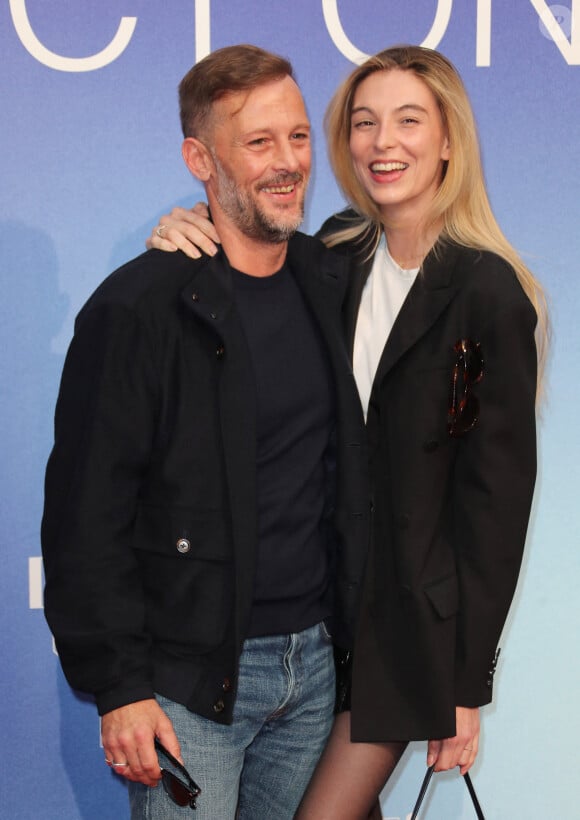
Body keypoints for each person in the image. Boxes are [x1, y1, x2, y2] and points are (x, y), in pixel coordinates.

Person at [147, 45, 548, 819]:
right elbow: (245, 248)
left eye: (408, 121)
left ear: (448, 142)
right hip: (315, 623)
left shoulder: (487, 292)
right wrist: (187, 223)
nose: (382, 143)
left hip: (403, 638)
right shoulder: (330, 255)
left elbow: (494, 512)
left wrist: (465, 687)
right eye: (364, 123)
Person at [41, 44, 371, 820]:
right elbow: (86, 518)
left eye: (296, 137)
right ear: (200, 158)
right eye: (258, 143)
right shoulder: (137, 312)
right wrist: (120, 688)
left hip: (317, 671)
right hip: (191, 683)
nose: (288, 162)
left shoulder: (333, 280)